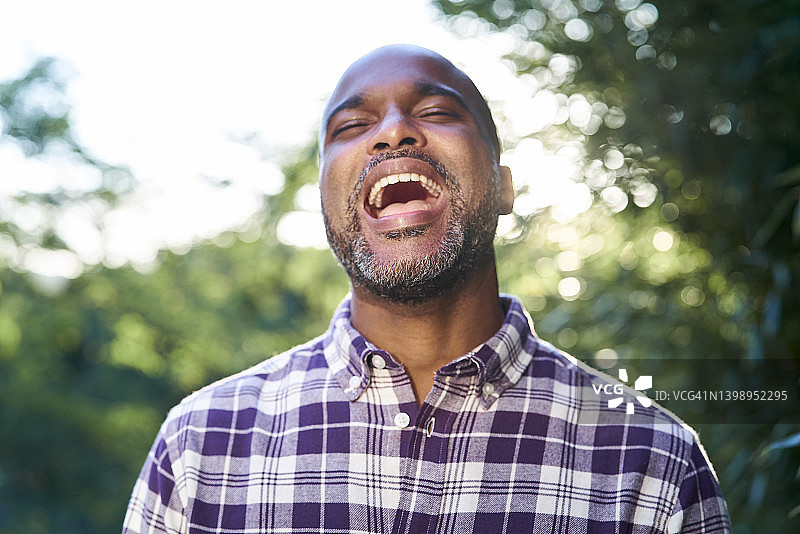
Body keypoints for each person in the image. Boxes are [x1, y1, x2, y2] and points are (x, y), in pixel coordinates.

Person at [123, 45, 731, 533]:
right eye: (353, 125)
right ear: (328, 203)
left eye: (436, 113)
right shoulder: (202, 443)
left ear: (504, 186)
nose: (392, 133)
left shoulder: (652, 462)